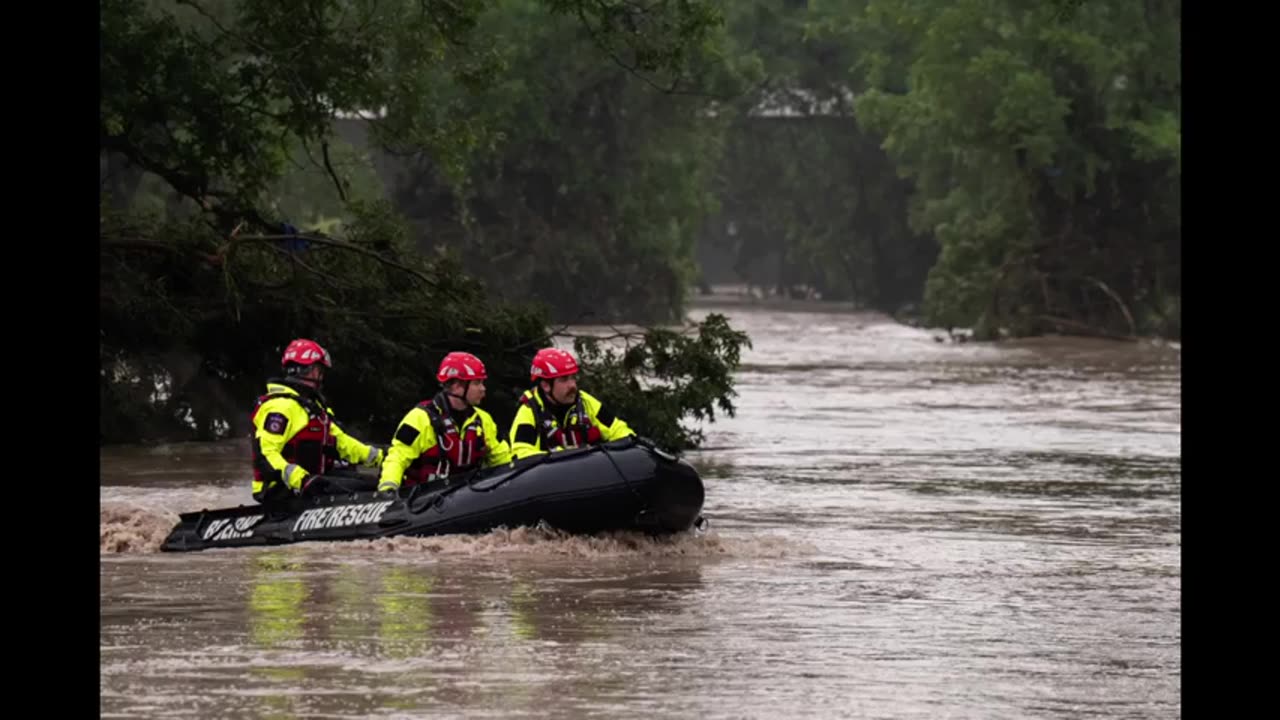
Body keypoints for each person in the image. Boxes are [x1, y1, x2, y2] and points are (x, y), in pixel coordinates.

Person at [249, 338, 385, 503]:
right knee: (364, 489)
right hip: (282, 489)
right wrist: (301, 479)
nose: (321, 376)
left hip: (310, 481)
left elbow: (342, 443)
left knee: (370, 483)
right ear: (309, 370)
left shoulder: (313, 407)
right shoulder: (280, 407)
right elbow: (266, 455)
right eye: (319, 370)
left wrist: (380, 457)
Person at [377, 351, 513, 493]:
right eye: (477, 383)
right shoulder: (420, 418)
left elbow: (502, 457)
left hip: (467, 496)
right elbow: (397, 457)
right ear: (457, 386)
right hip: (422, 498)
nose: (483, 389)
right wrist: (388, 488)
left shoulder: (483, 420)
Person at [508, 347, 634, 460]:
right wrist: (560, 456)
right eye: (564, 380)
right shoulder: (529, 411)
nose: (572, 385)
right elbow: (522, 454)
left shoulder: (585, 401)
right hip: (553, 477)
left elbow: (617, 429)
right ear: (546, 385)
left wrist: (630, 444)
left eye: (573, 377)